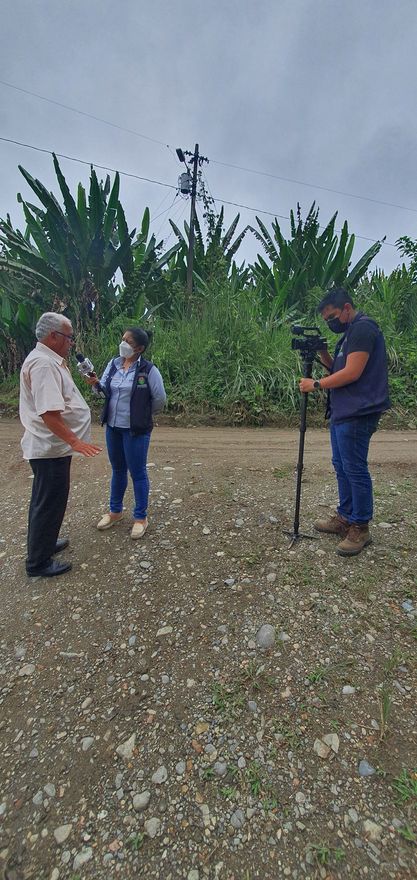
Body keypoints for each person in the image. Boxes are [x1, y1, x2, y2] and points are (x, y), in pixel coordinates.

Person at [299, 287, 390, 557]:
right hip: (344, 411)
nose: (330, 322)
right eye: (326, 319)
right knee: (341, 466)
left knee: (354, 468)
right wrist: (323, 352)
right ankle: (346, 517)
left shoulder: (363, 329)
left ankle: (360, 527)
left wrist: (316, 384)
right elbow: (337, 369)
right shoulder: (349, 334)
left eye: (332, 316)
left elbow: (352, 373)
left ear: (347, 308)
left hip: (359, 412)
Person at [19, 312, 102, 578]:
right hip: (50, 448)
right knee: (49, 502)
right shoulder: (43, 364)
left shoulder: (50, 360)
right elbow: (49, 413)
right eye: (69, 337)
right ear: (53, 336)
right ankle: (38, 562)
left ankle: (45, 543)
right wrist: (75, 441)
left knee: (48, 500)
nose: (71, 342)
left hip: (54, 447)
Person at [85, 327, 166, 539]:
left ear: (139, 348)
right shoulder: (114, 364)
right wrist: (95, 385)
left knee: (138, 472)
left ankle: (140, 517)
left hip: (135, 429)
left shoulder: (148, 370)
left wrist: (142, 414)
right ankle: (115, 512)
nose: (123, 344)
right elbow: (103, 392)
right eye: (122, 339)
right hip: (113, 427)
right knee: (118, 470)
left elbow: (159, 399)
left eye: (128, 342)